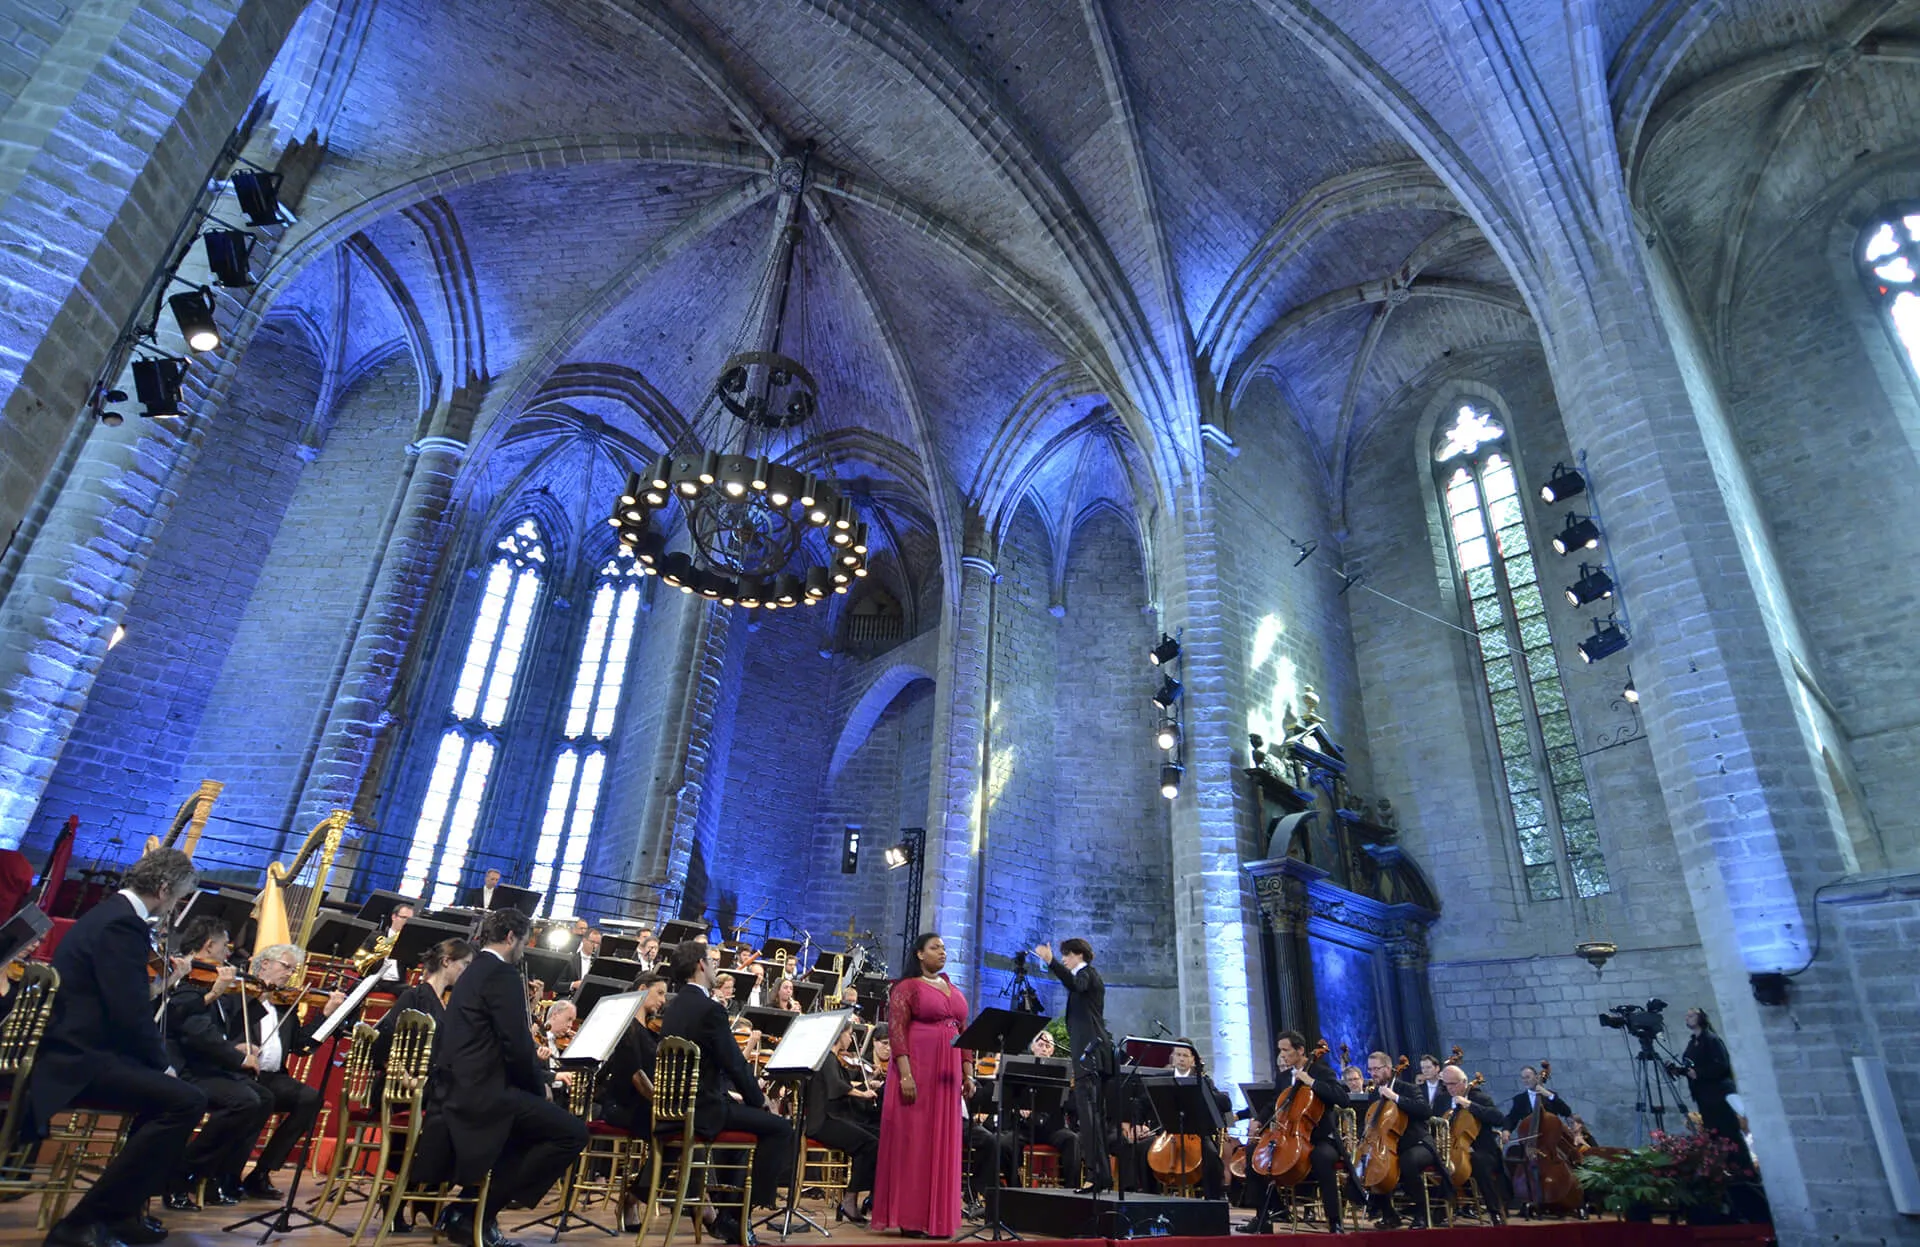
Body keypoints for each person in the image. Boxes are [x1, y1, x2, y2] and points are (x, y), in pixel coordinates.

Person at [27, 848, 207, 1247]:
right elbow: (127, 1013)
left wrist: (160, 988)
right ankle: (84, 1222)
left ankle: (123, 1213)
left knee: (173, 1098)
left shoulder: (110, 915)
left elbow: (122, 999)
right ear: (163, 889)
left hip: (83, 1049)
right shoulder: (122, 925)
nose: (175, 905)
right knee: (185, 1100)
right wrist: (161, 1065)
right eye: (177, 897)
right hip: (77, 1058)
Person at [430, 907, 588, 1246]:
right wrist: (540, 1086)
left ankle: (467, 1212)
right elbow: (516, 1045)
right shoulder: (502, 975)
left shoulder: (473, 971)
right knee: (572, 1133)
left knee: (530, 1129)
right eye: (524, 942)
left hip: (461, 1087)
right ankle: (476, 1213)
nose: (524, 951)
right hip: (484, 1093)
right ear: (512, 937)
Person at [659, 940, 794, 1240]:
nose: (716, 964)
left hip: (677, 1107)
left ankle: (728, 1212)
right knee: (779, 1129)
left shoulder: (674, 1005)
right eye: (711, 959)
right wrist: (759, 1101)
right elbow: (735, 1064)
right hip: (703, 1109)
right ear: (700, 965)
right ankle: (736, 1216)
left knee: (745, 1122)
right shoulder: (710, 1010)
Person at [212, 943, 349, 1199]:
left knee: (310, 1098)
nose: (290, 975)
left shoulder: (286, 1003)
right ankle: (227, 1172)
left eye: (293, 970)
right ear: (265, 964)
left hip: (273, 1077)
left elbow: (301, 1046)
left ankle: (262, 1172)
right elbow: (217, 1032)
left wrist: (326, 1015)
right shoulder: (236, 994)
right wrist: (236, 1048)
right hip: (237, 1073)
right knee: (261, 1099)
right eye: (287, 968)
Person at [162, 917, 271, 1210]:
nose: (229, 951)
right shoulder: (191, 980)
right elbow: (197, 1035)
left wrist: (237, 1045)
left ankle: (215, 1175)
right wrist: (238, 1058)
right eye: (225, 945)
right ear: (209, 945)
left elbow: (218, 1030)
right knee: (244, 1101)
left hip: (209, 1066)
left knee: (262, 1098)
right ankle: (185, 1171)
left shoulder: (213, 979)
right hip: (189, 1070)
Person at [872, 933, 972, 1238]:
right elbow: (897, 1031)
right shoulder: (906, 987)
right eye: (934, 947)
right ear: (919, 954)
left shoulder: (951, 987)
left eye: (943, 948)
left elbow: (963, 1031)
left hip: (948, 1073)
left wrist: (968, 1071)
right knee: (914, 1141)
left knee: (943, 1140)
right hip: (917, 1068)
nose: (942, 952)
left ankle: (938, 1218)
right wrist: (905, 1074)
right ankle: (911, 1218)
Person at [1246, 1031, 1347, 1233]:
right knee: (1253, 1153)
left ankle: (1334, 1221)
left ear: (1300, 1050)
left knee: (1322, 1158)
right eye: (1280, 1050)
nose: (1282, 1054)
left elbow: (1342, 1098)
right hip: (1290, 1135)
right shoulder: (1284, 1077)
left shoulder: (1321, 1071)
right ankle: (1263, 1218)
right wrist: (1258, 1120)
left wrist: (1311, 1082)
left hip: (1319, 1138)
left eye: (1286, 1050)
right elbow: (1274, 1103)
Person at [1034, 937, 1110, 1193]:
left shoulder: (1087, 974)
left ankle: (1094, 1175)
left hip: (1089, 1055)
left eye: (1066, 955)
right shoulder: (1087, 976)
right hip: (1086, 1054)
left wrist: (1051, 962)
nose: (1064, 959)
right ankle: (1101, 1175)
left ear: (1079, 954)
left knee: (1089, 1117)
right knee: (1091, 1117)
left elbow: (1075, 985)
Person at [1359, 1051, 1443, 1229]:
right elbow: (1370, 1121)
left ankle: (1422, 1214)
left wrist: (1395, 1098)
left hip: (1417, 1143)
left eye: (1377, 1069)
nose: (1373, 1073)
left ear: (1388, 1068)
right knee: (1374, 1166)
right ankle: (1389, 1215)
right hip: (1388, 1144)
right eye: (1370, 1069)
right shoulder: (1374, 1094)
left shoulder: (1408, 1089)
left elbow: (1425, 1111)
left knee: (1408, 1161)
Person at [807, 1024, 878, 1223]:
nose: (850, 1038)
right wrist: (863, 1093)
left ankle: (869, 1197)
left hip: (835, 1117)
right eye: (849, 1034)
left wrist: (867, 1083)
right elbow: (837, 1087)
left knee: (878, 1138)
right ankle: (850, 1199)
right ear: (839, 1035)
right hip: (824, 1121)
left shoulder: (832, 1059)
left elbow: (842, 1086)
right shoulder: (827, 1058)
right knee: (870, 1143)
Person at [1676, 1009, 1751, 1168]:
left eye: (1692, 1015)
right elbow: (1691, 1066)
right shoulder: (1693, 1042)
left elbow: (1721, 1065)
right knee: (1714, 1135)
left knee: (1729, 1133)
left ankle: (1744, 1170)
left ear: (1701, 1018)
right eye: (1686, 1015)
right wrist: (1679, 1070)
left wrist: (1699, 1073)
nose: (1687, 1017)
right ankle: (1726, 1169)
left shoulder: (1711, 1039)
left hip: (1718, 1094)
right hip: (1703, 1095)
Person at [1439, 1064, 1506, 1223]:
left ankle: (1494, 1210)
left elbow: (1498, 1118)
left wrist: (1469, 1105)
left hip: (1483, 1149)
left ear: (1463, 1082)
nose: (1449, 1088)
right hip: (1454, 1149)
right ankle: (1440, 1211)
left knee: (1478, 1162)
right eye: (1446, 1084)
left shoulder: (1479, 1098)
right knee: (1437, 1162)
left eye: (1453, 1084)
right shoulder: (1443, 1101)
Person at [1166, 1040, 1232, 1199]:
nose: (1181, 1059)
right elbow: (1145, 1102)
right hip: (1168, 1134)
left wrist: (1204, 1087)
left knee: (1211, 1156)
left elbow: (1225, 1104)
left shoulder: (1204, 1080)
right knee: (1142, 1150)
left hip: (1197, 1134)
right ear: (1172, 1058)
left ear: (1193, 1060)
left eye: (1185, 1055)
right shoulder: (1163, 1078)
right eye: (1178, 1055)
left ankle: (1214, 1200)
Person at [1502, 1064, 1572, 1131]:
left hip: (1552, 1135)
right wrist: (1506, 1130)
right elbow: (1511, 1118)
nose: (1525, 1081)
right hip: (1531, 1137)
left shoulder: (1550, 1095)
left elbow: (1566, 1111)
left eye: (1528, 1077)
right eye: (1523, 1078)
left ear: (1536, 1077)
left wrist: (1550, 1095)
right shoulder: (1520, 1099)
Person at [562, 925, 599, 995]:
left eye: (597, 943)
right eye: (592, 942)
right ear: (584, 940)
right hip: (569, 997)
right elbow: (556, 985)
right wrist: (573, 985)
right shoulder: (570, 959)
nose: (595, 946)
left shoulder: (598, 963)